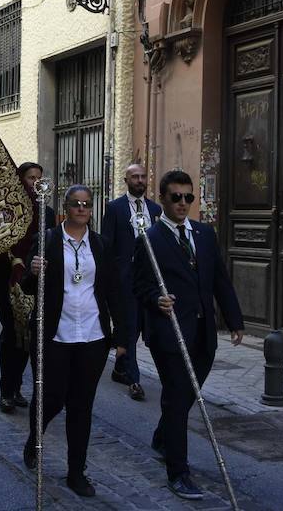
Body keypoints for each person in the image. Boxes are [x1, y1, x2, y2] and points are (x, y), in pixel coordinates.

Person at [133, 170, 244, 500]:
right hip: (170, 333)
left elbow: (220, 280)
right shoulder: (150, 239)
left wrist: (235, 320)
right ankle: (178, 472)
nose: (183, 204)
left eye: (188, 197)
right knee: (178, 398)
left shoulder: (204, 234)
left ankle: (163, 434)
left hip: (203, 333)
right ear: (163, 200)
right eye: (176, 197)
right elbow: (138, 285)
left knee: (186, 396)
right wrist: (156, 299)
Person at [22, 185, 126, 498]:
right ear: (66, 208)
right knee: (52, 398)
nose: (82, 208)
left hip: (93, 336)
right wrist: (33, 271)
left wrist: (121, 336)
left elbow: (112, 291)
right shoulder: (48, 240)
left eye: (87, 204)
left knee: (82, 406)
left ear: (92, 209)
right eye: (76, 204)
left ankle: (76, 472)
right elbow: (28, 287)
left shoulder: (101, 244)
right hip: (56, 334)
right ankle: (34, 437)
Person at [0, 162, 56, 413]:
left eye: (40, 177)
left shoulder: (46, 213)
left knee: (29, 337)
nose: (35, 182)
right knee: (12, 336)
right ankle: (6, 390)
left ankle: (17, 388)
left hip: (35, 284)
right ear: (21, 180)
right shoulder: (6, 210)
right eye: (30, 178)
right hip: (8, 282)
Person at [102, 164, 163, 402]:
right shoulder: (115, 209)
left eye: (142, 176)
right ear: (126, 180)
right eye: (134, 177)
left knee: (141, 328)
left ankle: (119, 368)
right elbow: (107, 245)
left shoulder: (156, 209)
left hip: (150, 280)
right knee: (129, 326)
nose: (139, 180)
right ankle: (134, 379)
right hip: (125, 280)